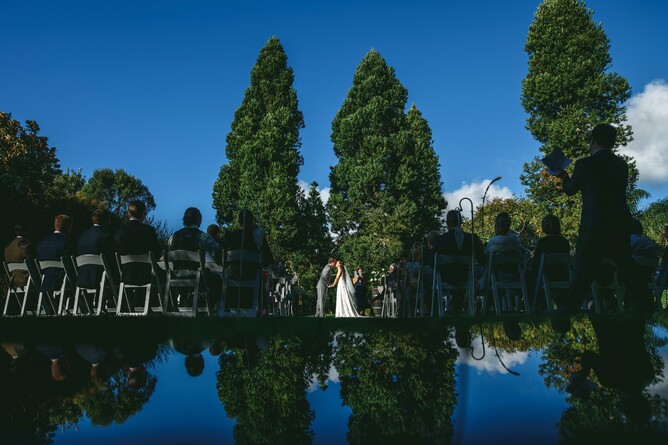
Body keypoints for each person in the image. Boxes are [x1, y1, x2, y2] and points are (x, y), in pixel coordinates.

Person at [557, 123, 653, 314]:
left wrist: (564, 176)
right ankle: (646, 303)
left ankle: (569, 308)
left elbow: (570, 190)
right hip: (618, 223)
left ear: (592, 140)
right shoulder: (621, 165)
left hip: (593, 224)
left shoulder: (585, 164)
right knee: (626, 264)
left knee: (582, 268)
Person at [435, 210, 487, 312]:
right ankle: (460, 309)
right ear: (461, 222)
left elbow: (431, 261)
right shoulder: (472, 238)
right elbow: (483, 260)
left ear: (447, 223)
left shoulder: (440, 239)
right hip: (465, 276)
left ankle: (452, 311)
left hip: (446, 277)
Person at [114, 200, 161, 286]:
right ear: (143, 213)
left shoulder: (118, 232)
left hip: (125, 275)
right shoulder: (149, 231)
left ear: (128, 213)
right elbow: (156, 253)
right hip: (146, 276)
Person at [529, 214, 571, 308]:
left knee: (529, 275)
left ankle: (533, 304)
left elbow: (536, 264)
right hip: (562, 276)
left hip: (546, 277)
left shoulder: (543, 243)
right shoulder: (565, 242)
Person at [76, 208, 116, 290]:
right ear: (106, 220)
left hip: (82, 279)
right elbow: (112, 261)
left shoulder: (82, 237)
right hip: (100, 280)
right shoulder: (107, 237)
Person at [36, 214, 75, 298]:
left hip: (45, 282)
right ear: (68, 226)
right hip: (61, 281)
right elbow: (70, 266)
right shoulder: (67, 242)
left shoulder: (42, 243)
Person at [4, 224, 35, 290]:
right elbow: (32, 262)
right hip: (26, 280)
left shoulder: (7, 247)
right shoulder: (26, 245)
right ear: (26, 232)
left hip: (14, 281)